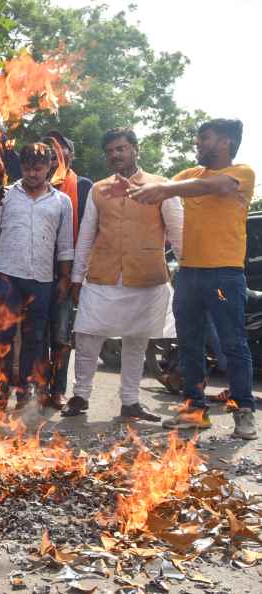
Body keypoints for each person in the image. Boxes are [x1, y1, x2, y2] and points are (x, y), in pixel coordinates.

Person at [127, 119, 257, 439]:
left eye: (205, 138)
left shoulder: (242, 173)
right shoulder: (188, 175)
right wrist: (133, 181)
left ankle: (244, 411)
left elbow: (210, 187)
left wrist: (164, 188)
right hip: (188, 274)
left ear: (225, 141)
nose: (197, 142)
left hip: (225, 275)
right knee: (189, 344)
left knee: (233, 345)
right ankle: (195, 409)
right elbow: (162, 185)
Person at [63, 128, 182, 422]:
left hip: (146, 278)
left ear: (135, 149)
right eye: (110, 151)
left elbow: (178, 234)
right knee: (88, 336)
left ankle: (130, 401)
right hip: (103, 276)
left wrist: (189, 271)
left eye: (121, 149)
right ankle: (80, 395)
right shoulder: (98, 189)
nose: (115, 155)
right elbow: (87, 237)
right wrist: (77, 278)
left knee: (137, 341)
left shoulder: (160, 185)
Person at [0, 143, 74, 410]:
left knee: (34, 336)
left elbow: (65, 244)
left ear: (49, 168)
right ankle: (2, 387)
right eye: (28, 167)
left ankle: (24, 388)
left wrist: (65, 278)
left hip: (42, 278)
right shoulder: (4, 196)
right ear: (21, 167)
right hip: (7, 275)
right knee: (4, 335)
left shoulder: (62, 202)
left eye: (39, 168)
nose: (33, 173)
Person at [42, 131, 93, 408]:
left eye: (60, 153)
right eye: (49, 153)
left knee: (61, 336)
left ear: (70, 157)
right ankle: (38, 388)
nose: (54, 158)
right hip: (36, 272)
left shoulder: (84, 187)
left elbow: (90, 232)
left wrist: (76, 277)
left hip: (68, 272)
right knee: (35, 334)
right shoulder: (33, 185)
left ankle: (57, 389)